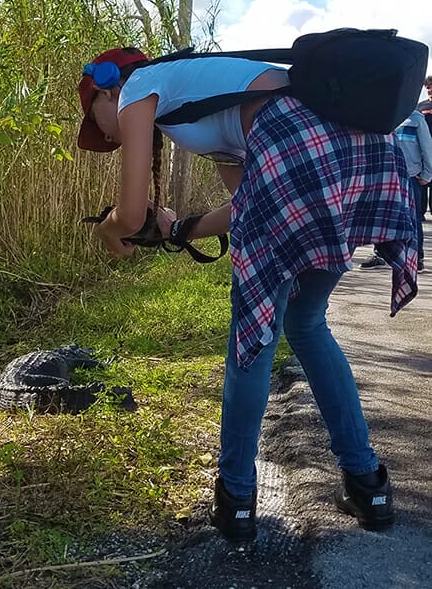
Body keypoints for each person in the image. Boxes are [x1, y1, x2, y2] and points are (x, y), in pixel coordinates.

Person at [77, 46, 417, 542]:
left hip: (297, 146)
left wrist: (109, 231)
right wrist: (182, 230)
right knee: (305, 321)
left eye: (95, 118)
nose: (105, 133)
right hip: (361, 153)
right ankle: (369, 486)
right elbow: (247, 204)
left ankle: (236, 499)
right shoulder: (207, 98)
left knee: (252, 342)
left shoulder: (137, 87)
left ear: (106, 88)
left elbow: (128, 216)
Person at [360, 108, 432, 272]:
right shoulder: (382, 115)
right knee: (381, 215)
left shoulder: (416, 120)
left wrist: (427, 174)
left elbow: (427, 148)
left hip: (410, 175)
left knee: (412, 217)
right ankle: (380, 253)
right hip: (385, 174)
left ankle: (416, 257)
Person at [416, 75, 432, 219]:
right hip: (422, 149)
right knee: (421, 182)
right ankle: (420, 213)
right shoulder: (421, 106)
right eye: (428, 88)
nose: (430, 90)